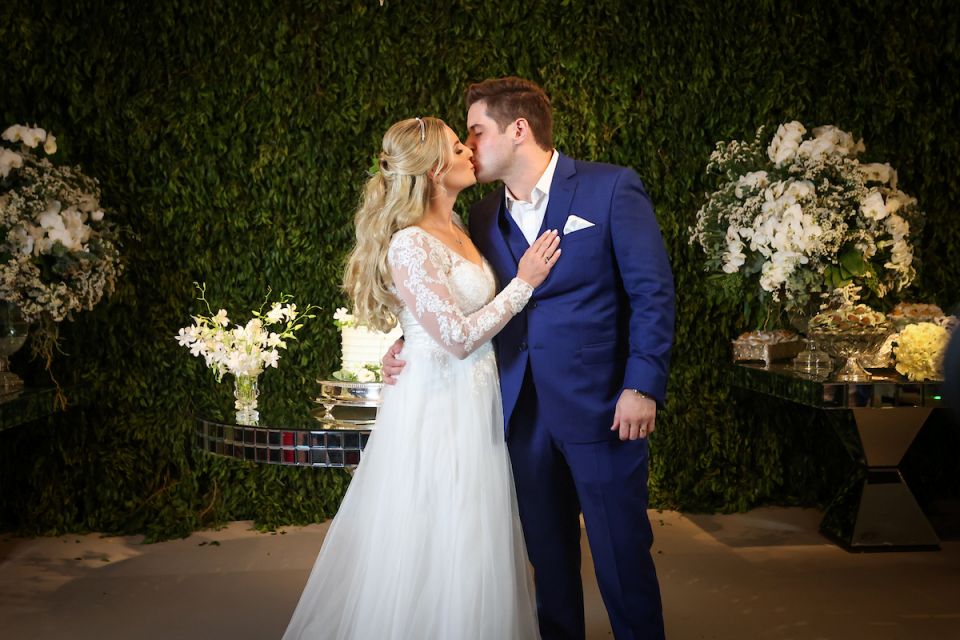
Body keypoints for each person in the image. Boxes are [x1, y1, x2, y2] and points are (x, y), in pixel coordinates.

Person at [383, 78, 675, 640]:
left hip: (603, 409)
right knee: (549, 561)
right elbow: (449, 301)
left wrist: (642, 384)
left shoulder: (610, 188)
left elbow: (652, 293)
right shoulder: (481, 217)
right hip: (515, 415)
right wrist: (406, 343)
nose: (468, 146)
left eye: (477, 131)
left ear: (518, 129)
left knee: (622, 554)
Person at [282, 116, 560, 640]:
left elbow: (439, 321)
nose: (471, 153)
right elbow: (454, 339)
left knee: (474, 536)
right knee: (437, 531)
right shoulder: (410, 244)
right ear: (435, 170)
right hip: (437, 406)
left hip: (477, 402)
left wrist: (408, 338)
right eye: (460, 147)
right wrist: (522, 283)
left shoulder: (461, 229)